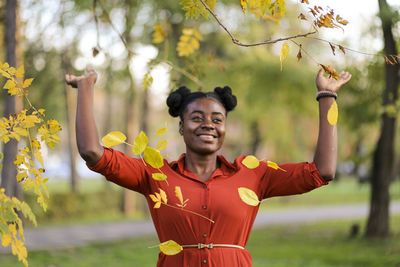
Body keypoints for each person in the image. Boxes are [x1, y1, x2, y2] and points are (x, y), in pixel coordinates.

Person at [65, 68, 351, 267]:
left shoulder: (253, 174)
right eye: (197, 117)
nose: (208, 125)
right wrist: (86, 89)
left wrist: (326, 97)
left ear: (225, 128)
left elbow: (321, 171)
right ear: (181, 126)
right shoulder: (155, 175)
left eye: (217, 119)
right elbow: (92, 152)